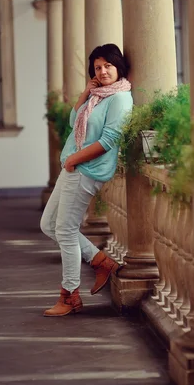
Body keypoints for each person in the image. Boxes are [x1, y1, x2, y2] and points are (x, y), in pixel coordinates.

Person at [40, 43, 133, 317]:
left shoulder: (120, 99)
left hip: (85, 170)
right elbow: (73, 120)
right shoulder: (99, 96)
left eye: (108, 66)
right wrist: (86, 92)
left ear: (119, 67)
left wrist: (74, 159)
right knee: (49, 225)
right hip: (72, 167)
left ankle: (69, 296)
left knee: (65, 231)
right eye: (97, 68)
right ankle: (100, 261)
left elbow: (108, 141)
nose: (103, 72)